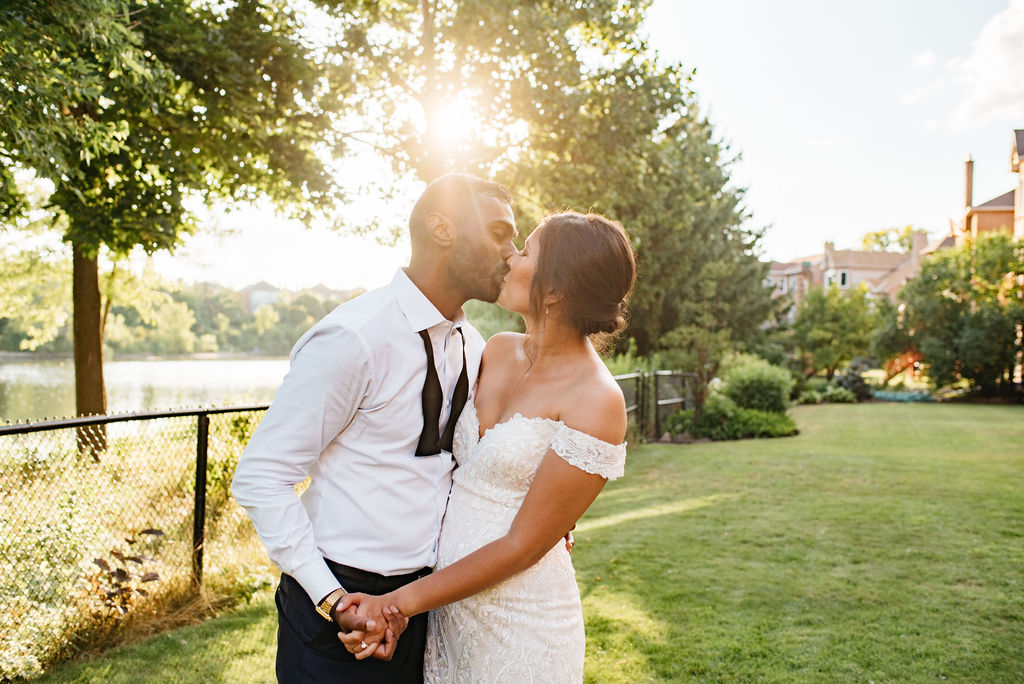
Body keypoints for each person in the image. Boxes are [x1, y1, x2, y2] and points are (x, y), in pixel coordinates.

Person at [230, 172, 518, 683]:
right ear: (442, 228)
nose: (513, 253)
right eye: (500, 232)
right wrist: (333, 599)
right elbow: (261, 476)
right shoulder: (353, 339)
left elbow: (457, 468)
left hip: (424, 606)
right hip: (338, 611)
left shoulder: (473, 346)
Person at [335, 211, 637, 682]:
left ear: (555, 289)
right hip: (451, 612)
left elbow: (522, 545)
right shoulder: (495, 349)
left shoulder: (598, 400)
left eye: (526, 251)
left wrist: (397, 604)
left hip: (522, 620)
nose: (510, 257)